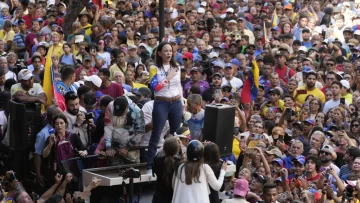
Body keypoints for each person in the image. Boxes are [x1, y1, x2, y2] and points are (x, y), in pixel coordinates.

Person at [147, 42, 183, 173]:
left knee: (176, 134)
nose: (168, 53)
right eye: (166, 51)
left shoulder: (177, 66)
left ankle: (176, 162)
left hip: (176, 102)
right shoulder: (154, 68)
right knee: (156, 134)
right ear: (159, 53)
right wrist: (167, 78)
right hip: (161, 102)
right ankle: (149, 165)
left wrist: (182, 102)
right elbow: (154, 87)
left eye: (170, 51)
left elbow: (179, 85)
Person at [152, 137, 182, 203]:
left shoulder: (157, 160)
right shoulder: (179, 162)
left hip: (159, 196)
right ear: (177, 149)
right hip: (173, 196)